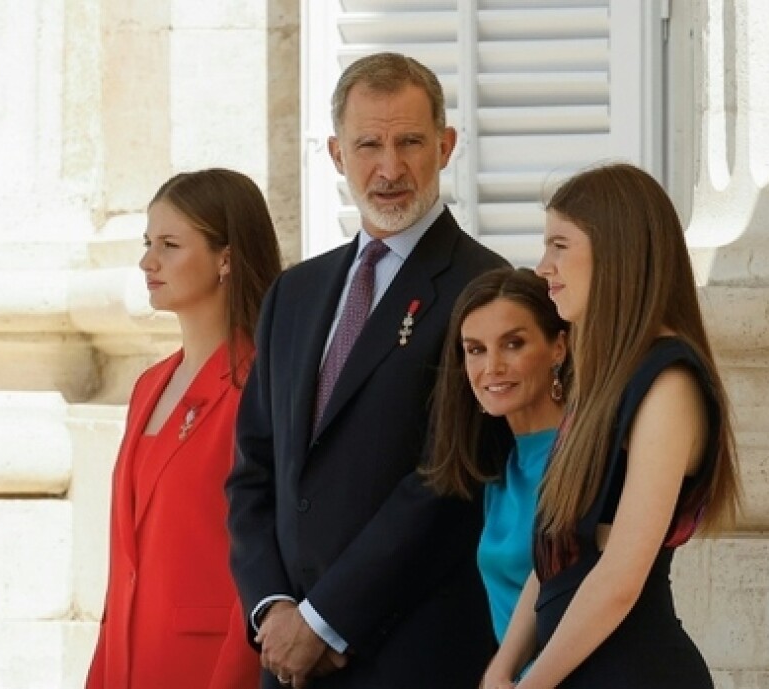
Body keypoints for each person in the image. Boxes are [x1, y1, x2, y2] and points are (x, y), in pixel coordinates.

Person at [225, 52, 508, 689]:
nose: (389, 168)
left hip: (413, 659)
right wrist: (273, 609)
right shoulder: (293, 294)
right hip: (287, 662)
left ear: (446, 144)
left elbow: (449, 481)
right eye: (368, 144)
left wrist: (324, 621)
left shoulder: (487, 290)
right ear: (334, 153)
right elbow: (253, 475)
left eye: (410, 142)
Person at [482, 162, 742, 688]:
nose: (542, 267)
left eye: (560, 245)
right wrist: (502, 669)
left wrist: (531, 685)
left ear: (615, 250)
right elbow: (554, 553)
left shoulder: (669, 384)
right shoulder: (602, 379)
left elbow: (621, 577)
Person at [87, 169, 284, 688]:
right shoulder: (149, 385)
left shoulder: (262, 384)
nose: (148, 262)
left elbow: (266, 547)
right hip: (130, 661)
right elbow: (126, 561)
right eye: (148, 243)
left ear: (226, 257)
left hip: (213, 665)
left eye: (170, 245)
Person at [424, 267, 569, 642]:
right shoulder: (501, 467)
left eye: (513, 344)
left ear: (559, 347)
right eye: (476, 350)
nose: (492, 368)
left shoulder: (579, 457)